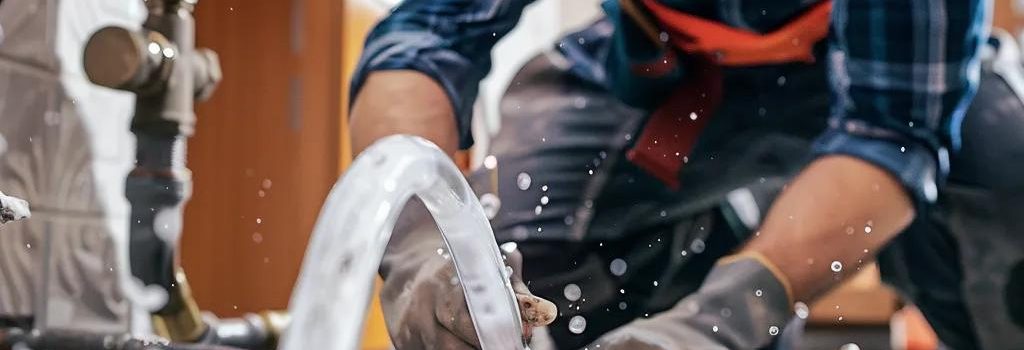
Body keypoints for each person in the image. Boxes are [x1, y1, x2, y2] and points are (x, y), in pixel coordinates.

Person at [350, 0, 1024, 348]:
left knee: (1007, 213)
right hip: (672, 83)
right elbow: (429, 37)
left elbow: (894, 130)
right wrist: (422, 243)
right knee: (539, 259)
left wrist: (719, 323)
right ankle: (710, 241)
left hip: (885, 85)